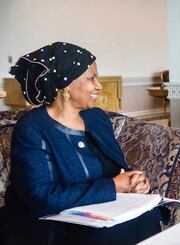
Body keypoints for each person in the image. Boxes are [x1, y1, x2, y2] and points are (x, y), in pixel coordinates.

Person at [0, 42, 164, 245]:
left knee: (148, 214)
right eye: (91, 78)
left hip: (99, 209)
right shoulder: (32, 127)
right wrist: (112, 187)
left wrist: (133, 181)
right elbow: (40, 196)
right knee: (107, 234)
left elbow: (117, 167)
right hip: (48, 222)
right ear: (66, 84)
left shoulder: (96, 118)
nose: (99, 85)